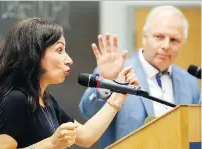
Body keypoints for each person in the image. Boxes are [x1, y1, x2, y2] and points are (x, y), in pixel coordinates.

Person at [0, 18, 139, 149]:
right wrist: (49, 144)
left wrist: (118, 95)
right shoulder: (16, 100)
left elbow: (86, 137)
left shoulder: (47, 102)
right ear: (35, 54)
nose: (69, 59)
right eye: (59, 50)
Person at [79, 5, 201, 149]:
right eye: (159, 37)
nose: (166, 45)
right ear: (144, 37)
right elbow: (87, 112)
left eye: (174, 40)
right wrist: (108, 82)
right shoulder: (118, 72)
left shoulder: (190, 82)